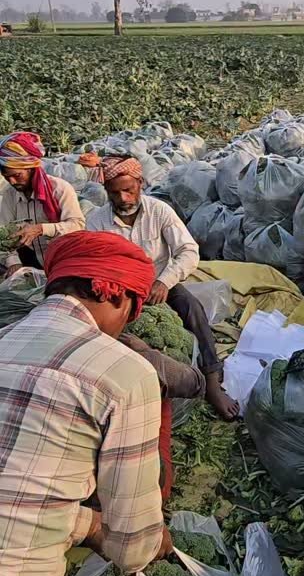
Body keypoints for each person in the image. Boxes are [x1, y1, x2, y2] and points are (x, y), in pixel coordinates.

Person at [0, 230, 173, 576]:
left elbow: (17, 483)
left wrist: (84, 524)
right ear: (115, 293)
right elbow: (133, 549)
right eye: (136, 308)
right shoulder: (122, 373)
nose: (131, 323)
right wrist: (140, 538)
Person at [87, 155, 238, 422]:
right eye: (114, 193)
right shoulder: (97, 221)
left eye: (128, 190)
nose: (122, 198)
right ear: (106, 192)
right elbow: (94, 264)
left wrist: (163, 281)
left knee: (192, 309)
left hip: (159, 284)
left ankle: (212, 380)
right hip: (118, 291)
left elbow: (189, 252)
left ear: (140, 183)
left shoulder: (160, 211)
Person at [121, 330, 206, 500]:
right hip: (134, 488)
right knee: (160, 393)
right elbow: (196, 384)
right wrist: (150, 352)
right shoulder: (142, 359)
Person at [0, 130, 85, 272]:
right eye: (7, 177)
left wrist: (42, 229)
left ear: (31, 168)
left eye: (17, 175)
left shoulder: (59, 189)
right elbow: (3, 234)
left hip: (62, 257)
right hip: (29, 258)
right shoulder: (10, 194)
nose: (12, 181)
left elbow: (77, 225)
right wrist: (14, 263)